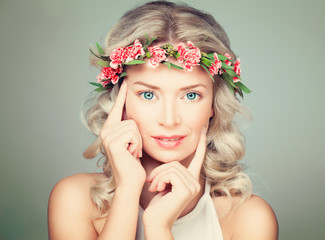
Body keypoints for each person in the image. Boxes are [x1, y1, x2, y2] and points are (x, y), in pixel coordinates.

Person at [48, 1, 278, 239]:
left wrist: (159, 228)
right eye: (148, 94)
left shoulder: (248, 218)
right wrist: (127, 190)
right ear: (120, 101)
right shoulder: (75, 199)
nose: (169, 120)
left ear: (213, 105)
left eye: (191, 95)